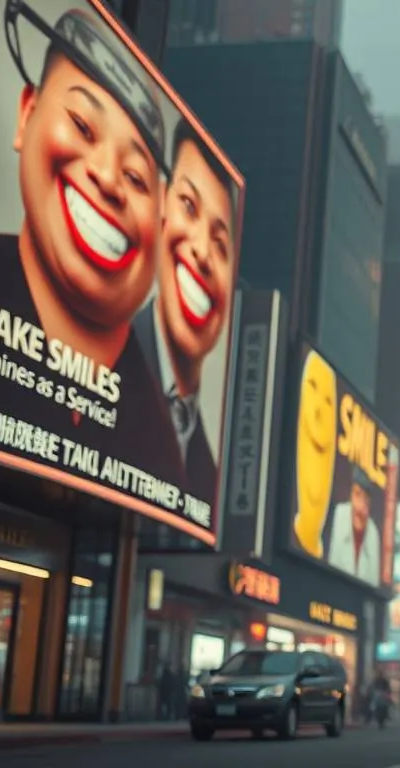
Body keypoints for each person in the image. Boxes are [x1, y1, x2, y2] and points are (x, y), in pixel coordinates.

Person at [0, 7, 181, 492]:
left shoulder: (162, 454)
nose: (106, 177)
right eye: (82, 125)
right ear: (26, 114)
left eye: (137, 177)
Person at [133, 119, 237, 507]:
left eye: (222, 244)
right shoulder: (103, 369)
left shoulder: (208, 477)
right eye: (188, 207)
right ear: (161, 208)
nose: (202, 252)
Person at [326, 471, 383, 586]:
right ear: (351, 496)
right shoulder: (339, 515)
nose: (361, 506)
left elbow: (373, 585)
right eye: (357, 495)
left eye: (366, 500)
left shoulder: (373, 533)